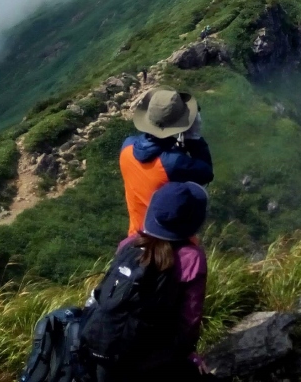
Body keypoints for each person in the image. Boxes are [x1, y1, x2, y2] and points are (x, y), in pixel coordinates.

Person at [80, 181, 210, 381]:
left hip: (104, 349)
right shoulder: (192, 258)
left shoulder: (128, 244)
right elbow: (189, 322)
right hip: (149, 360)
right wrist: (189, 356)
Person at [120, 87, 214, 237]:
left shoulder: (127, 146)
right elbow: (206, 173)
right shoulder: (173, 163)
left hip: (136, 235)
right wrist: (194, 138)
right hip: (168, 239)